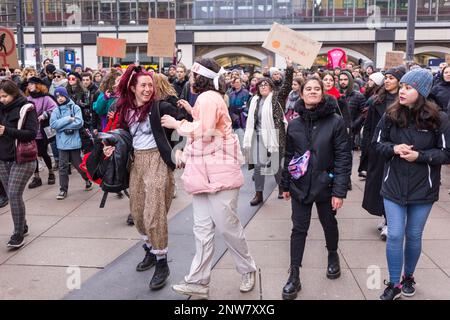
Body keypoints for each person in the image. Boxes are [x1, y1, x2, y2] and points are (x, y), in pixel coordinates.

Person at [161, 58, 257, 300]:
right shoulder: (207, 99)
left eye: (193, 76)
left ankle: (247, 269)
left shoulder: (208, 98)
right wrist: (192, 112)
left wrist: (177, 123)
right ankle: (198, 281)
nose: (190, 79)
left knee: (227, 226)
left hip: (219, 173)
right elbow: (210, 125)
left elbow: (205, 132)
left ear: (200, 77)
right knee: (203, 230)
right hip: (205, 172)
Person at [374, 68, 450, 300]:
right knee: (395, 235)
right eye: (402, 87)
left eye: (408, 88)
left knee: (414, 235)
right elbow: (377, 143)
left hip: (423, 188)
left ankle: (409, 277)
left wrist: (421, 157)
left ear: (422, 91)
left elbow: (446, 153)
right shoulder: (390, 114)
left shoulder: (439, 118)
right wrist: (393, 148)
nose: (402, 91)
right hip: (393, 185)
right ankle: (394, 283)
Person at [106, 64, 183, 290]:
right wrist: (110, 147)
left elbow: (186, 123)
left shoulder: (160, 107)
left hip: (158, 160)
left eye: (150, 85)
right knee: (138, 213)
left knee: (154, 212)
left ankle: (162, 263)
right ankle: (149, 249)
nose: (148, 89)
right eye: (143, 85)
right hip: (137, 162)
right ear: (132, 87)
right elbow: (119, 134)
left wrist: (179, 141)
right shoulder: (125, 109)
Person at [280, 77, 352, 300]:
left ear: (323, 93)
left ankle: (332, 255)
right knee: (298, 229)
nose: (312, 92)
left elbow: (343, 157)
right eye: (308, 89)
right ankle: (294, 275)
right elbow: (289, 157)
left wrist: (339, 191)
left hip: (326, 185)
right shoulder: (294, 124)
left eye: (316, 89)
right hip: (300, 186)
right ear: (301, 94)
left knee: (329, 223)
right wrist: (285, 185)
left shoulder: (335, 121)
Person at [362, 66, 405, 240]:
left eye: (391, 78)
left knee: (393, 186)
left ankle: (390, 222)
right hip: (378, 149)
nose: (387, 80)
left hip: (396, 150)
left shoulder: (403, 101)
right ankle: (386, 216)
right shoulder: (376, 100)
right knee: (379, 184)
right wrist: (368, 148)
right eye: (386, 78)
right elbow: (369, 127)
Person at [243, 58, 292, 205]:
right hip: (258, 136)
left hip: (275, 136)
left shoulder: (277, 98)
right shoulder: (254, 101)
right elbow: (252, 120)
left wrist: (289, 67)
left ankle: (281, 188)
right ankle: (258, 194)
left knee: (277, 167)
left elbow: (287, 85)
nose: (263, 86)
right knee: (259, 166)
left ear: (271, 87)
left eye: (266, 84)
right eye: (261, 85)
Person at [0, 80, 38, 248]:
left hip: (22, 158)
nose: (2, 99)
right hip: (3, 158)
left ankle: (18, 233)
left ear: (14, 94)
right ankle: (23, 224)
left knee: (14, 194)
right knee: (12, 196)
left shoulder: (27, 108)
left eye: (4, 96)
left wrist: (6, 130)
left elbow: (31, 133)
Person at [50, 87, 93, 200]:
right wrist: (68, 119)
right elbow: (53, 125)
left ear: (66, 95)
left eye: (61, 96)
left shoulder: (75, 107)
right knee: (62, 167)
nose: (59, 98)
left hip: (74, 143)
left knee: (78, 166)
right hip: (62, 144)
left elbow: (79, 123)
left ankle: (87, 179)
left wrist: (61, 126)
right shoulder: (56, 110)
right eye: (57, 97)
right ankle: (63, 189)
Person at [25, 77, 58, 188]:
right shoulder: (27, 98)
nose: (29, 86)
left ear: (38, 85)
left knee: (43, 152)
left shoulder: (46, 98)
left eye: (31, 84)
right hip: (30, 130)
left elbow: (55, 108)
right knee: (33, 154)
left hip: (41, 130)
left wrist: (44, 115)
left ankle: (51, 173)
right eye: (28, 84)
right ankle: (36, 177)